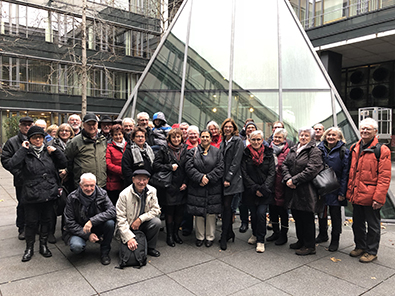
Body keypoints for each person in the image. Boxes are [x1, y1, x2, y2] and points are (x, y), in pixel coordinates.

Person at [6, 126, 66, 262]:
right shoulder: (25, 152)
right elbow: (12, 165)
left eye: (40, 137)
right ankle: (29, 248)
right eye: (34, 137)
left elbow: (63, 163)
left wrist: (56, 152)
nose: (38, 140)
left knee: (46, 220)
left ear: (44, 138)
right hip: (31, 193)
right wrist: (22, 150)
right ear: (29, 139)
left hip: (48, 192)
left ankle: (43, 246)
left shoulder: (48, 151)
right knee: (31, 222)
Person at [347, 118, 391, 263]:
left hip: (371, 196)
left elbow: (384, 177)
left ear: (375, 132)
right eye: (363, 129)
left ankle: (371, 251)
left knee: (373, 225)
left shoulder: (382, 150)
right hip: (357, 194)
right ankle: (360, 246)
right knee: (357, 223)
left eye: (368, 129)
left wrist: (379, 198)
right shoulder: (354, 147)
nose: (364, 131)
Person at [282, 127, 323, 256]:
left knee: (307, 217)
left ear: (311, 137)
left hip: (306, 190)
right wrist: (288, 178)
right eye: (301, 135)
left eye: (306, 135)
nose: (303, 137)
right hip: (292, 189)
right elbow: (284, 164)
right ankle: (301, 241)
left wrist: (294, 180)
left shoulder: (314, 151)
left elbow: (312, 169)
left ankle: (310, 246)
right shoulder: (294, 148)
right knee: (297, 216)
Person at [63, 173, 116, 265]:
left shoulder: (102, 194)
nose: (89, 188)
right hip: (80, 227)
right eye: (86, 185)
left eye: (92, 185)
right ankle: (82, 248)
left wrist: (92, 221)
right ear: (80, 185)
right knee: (76, 247)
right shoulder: (72, 198)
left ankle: (105, 252)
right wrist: (88, 235)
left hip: (97, 225)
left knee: (110, 223)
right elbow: (69, 222)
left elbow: (112, 211)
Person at [186, 130, 224, 248]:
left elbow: (220, 167)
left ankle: (210, 237)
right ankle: (200, 236)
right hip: (197, 186)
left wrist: (208, 178)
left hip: (213, 186)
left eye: (207, 136)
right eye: (203, 136)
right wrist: (200, 178)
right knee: (198, 213)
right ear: (199, 138)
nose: (205, 138)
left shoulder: (217, 152)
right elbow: (188, 167)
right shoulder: (192, 151)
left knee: (211, 213)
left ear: (211, 138)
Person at [241, 130, 275, 253]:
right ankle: (254, 234)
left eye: (258, 139)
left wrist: (263, 189)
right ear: (249, 140)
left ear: (262, 140)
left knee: (261, 214)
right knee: (253, 214)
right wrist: (254, 188)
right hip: (251, 190)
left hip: (265, 191)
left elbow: (272, 173)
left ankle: (261, 239)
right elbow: (244, 172)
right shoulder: (245, 154)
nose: (256, 142)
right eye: (253, 139)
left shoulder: (269, 153)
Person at [153, 128, 188, 247]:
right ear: (169, 139)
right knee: (169, 212)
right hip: (168, 185)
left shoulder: (186, 150)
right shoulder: (163, 149)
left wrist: (185, 182)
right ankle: (169, 236)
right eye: (174, 137)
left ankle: (176, 234)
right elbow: (156, 165)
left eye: (178, 137)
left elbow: (188, 168)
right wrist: (169, 166)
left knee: (179, 211)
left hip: (181, 185)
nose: (176, 139)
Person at [317, 127, 350, 251]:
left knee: (335, 216)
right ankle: (322, 234)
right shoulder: (319, 149)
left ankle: (335, 240)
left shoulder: (343, 151)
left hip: (336, 188)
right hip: (322, 185)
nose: (330, 137)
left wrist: (342, 192)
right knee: (321, 213)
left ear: (339, 137)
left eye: (333, 135)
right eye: (328, 135)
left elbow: (345, 173)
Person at [1, 116, 34, 239]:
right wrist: (19, 173)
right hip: (22, 180)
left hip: (37, 179)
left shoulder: (38, 139)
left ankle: (35, 226)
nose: (27, 127)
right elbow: (6, 160)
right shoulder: (12, 142)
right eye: (24, 124)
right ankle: (22, 228)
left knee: (36, 204)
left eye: (29, 124)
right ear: (19, 126)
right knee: (23, 204)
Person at [115, 169, 161, 257]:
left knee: (156, 222)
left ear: (148, 180)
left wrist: (140, 219)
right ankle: (133, 241)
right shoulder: (124, 194)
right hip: (128, 225)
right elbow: (120, 218)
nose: (141, 182)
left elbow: (156, 209)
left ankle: (150, 248)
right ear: (133, 179)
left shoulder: (152, 191)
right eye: (138, 179)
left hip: (142, 223)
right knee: (130, 249)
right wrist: (129, 238)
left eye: (144, 179)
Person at [47, 123, 75, 243]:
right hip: (55, 179)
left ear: (71, 133)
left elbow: (75, 159)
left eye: (67, 131)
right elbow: (48, 161)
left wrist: (67, 171)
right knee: (53, 206)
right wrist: (59, 172)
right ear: (58, 132)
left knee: (68, 206)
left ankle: (65, 231)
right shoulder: (51, 144)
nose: (64, 132)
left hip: (70, 179)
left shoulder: (74, 143)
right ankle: (50, 232)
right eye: (62, 130)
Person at [219, 118, 244, 251]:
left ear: (233, 128)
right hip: (222, 178)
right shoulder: (223, 141)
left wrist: (228, 177)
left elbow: (236, 161)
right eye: (225, 126)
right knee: (224, 207)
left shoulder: (237, 141)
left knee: (228, 206)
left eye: (230, 127)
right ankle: (229, 233)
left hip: (232, 179)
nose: (227, 129)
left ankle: (224, 236)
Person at [65, 113, 107, 190]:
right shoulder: (75, 142)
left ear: (97, 124)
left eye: (93, 124)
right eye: (88, 124)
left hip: (101, 183)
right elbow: (68, 160)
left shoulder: (103, 140)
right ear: (83, 125)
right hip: (84, 185)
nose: (91, 127)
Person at [267, 128, 290, 246]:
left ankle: (284, 234)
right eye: (275, 137)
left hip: (282, 185)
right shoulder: (268, 149)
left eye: (279, 137)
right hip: (270, 185)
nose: (276, 139)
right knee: (273, 211)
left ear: (284, 139)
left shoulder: (287, 151)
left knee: (283, 211)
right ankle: (275, 232)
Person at [239, 121, 258, 233]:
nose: (250, 129)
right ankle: (244, 222)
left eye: (252, 127)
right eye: (248, 128)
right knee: (242, 201)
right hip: (242, 174)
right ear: (245, 130)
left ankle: (255, 225)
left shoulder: (262, 141)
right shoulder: (241, 142)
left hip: (255, 176)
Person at [106, 124, 127, 205]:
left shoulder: (128, 146)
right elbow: (108, 164)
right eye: (115, 134)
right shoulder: (109, 147)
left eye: (120, 134)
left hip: (126, 182)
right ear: (112, 136)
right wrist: (122, 171)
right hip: (114, 182)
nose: (118, 137)